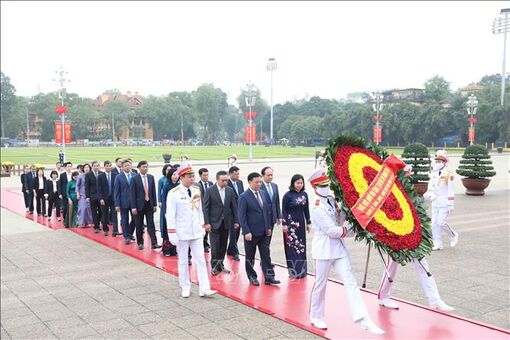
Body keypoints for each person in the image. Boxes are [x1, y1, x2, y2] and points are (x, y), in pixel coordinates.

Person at [308, 168, 384, 334]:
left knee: (350, 281)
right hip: (324, 249)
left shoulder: (330, 199)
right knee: (320, 285)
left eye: (327, 184)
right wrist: (352, 230)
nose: (326, 188)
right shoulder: (316, 206)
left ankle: (363, 318)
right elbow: (332, 231)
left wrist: (350, 214)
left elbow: (339, 220)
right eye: (322, 185)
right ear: (314, 187)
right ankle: (316, 316)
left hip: (338, 249)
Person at [166, 162, 217, 298]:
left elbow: (199, 210)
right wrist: (172, 233)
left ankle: (204, 288)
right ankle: (185, 286)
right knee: (183, 261)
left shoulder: (196, 190)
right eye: (189, 176)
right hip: (182, 233)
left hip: (196, 231)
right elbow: (170, 215)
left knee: (201, 260)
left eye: (193, 176)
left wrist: (202, 226)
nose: (192, 178)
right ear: (181, 177)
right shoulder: (174, 193)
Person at [238, 172, 280, 286]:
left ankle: (269, 277)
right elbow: (242, 216)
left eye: (260, 182)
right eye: (256, 182)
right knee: (250, 256)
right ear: (250, 182)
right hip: (251, 233)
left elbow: (266, 212)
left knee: (266, 255)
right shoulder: (243, 197)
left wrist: (268, 227)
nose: (259, 184)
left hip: (264, 232)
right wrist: (246, 231)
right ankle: (252, 276)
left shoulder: (263, 193)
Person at [203, 170, 239, 275]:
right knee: (215, 246)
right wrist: (207, 223)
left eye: (226, 180)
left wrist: (236, 221)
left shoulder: (230, 190)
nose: (225, 183)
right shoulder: (210, 190)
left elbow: (234, 207)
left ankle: (220, 265)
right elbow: (206, 208)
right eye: (223, 181)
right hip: (214, 223)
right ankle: (214, 266)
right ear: (217, 180)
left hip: (226, 223)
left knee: (223, 245)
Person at [424, 149, 459, 250]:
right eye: (437, 161)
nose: (438, 163)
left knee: (441, 223)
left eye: (440, 161)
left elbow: (451, 190)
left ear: (444, 162)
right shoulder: (434, 173)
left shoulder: (449, 174)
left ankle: (453, 235)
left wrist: (450, 204)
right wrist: (430, 195)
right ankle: (437, 244)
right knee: (434, 224)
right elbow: (430, 186)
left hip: (445, 202)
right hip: (435, 202)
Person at [281, 174, 311, 278]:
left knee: (301, 247)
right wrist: (284, 224)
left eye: (301, 183)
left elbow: (306, 209)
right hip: (290, 225)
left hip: (301, 224)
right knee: (292, 248)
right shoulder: (288, 195)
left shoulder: (305, 194)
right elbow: (283, 210)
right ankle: (294, 272)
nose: (299, 185)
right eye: (297, 183)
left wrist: (308, 222)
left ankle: (302, 271)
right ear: (293, 183)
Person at [130, 161, 160, 250]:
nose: (145, 168)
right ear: (139, 168)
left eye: (146, 167)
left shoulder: (151, 177)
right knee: (139, 225)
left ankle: (154, 243)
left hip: (149, 205)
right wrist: (133, 207)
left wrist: (154, 204)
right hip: (139, 206)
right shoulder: (134, 179)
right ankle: (140, 242)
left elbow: (153, 192)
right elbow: (132, 194)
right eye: (143, 167)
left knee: (151, 224)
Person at [160, 165, 180, 256]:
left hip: (177, 212)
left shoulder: (179, 185)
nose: (175, 177)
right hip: (168, 211)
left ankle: (174, 249)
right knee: (167, 231)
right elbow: (164, 200)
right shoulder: (166, 186)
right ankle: (167, 249)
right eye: (173, 175)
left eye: (176, 175)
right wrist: (165, 212)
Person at [226, 166, 244, 261]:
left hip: (240, 211)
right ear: (231, 174)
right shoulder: (226, 184)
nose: (238, 176)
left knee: (237, 233)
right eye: (236, 174)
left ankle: (230, 249)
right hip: (230, 213)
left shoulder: (240, 183)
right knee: (233, 232)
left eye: (238, 174)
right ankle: (235, 252)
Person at [260, 166, 282, 236]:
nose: (270, 177)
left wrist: (279, 216)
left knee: (269, 237)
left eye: (271, 175)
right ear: (262, 176)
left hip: (272, 217)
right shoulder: (259, 186)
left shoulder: (274, 186)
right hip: (262, 218)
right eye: (268, 175)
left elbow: (277, 202)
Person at [98, 161, 118, 236]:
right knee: (105, 214)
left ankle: (115, 230)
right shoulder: (100, 176)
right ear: (104, 167)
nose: (109, 167)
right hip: (104, 198)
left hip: (113, 198)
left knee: (114, 214)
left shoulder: (115, 175)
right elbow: (99, 188)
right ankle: (105, 229)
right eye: (107, 166)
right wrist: (101, 198)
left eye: (110, 166)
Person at [197, 167, 214, 253]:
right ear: (200, 176)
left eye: (207, 175)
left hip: (211, 209)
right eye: (204, 175)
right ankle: (203, 243)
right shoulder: (197, 185)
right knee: (203, 227)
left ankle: (207, 242)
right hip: (203, 209)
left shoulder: (211, 184)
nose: (206, 177)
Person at [85, 161, 105, 234]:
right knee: (94, 212)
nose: (96, 167)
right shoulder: (88, 175)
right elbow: (86, 186)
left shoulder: (102, 173)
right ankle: (96, 227)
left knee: (101, 211)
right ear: (92, 166)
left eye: (97, 165)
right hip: (92, 195)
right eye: (94, 166)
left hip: (101, 196)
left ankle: (98, 221)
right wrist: (87, 196)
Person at [76, 163, 93, 228]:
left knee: (89, 209)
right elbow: (77, 185)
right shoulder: (80, 176)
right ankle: (81, 222)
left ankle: (89, 222)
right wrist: (77, 193)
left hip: (90, 194)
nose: (86, 169)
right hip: (82, 194)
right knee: (82, 208)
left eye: (88, 167)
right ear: (83, 168)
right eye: (85, 167)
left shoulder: (91, 175)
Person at [158, 164, 171, 241]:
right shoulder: (162, 180)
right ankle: (164, 234)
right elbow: (159, 191)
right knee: (164, 218)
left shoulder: (174, 179)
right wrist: (159, 201)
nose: (168, 171)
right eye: (167, 170)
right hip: (164, 201)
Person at [59, 162, 73, 227]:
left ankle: (72, 222)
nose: (69, 168)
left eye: (70, 166)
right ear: (65, 167)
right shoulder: (62, 175)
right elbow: (60, 185)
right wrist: (60, 193)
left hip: (73, 194)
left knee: (74, 208)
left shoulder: (74, 174)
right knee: (65, 208)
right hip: (65, 194)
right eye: (68, 166)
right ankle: (65, 221)